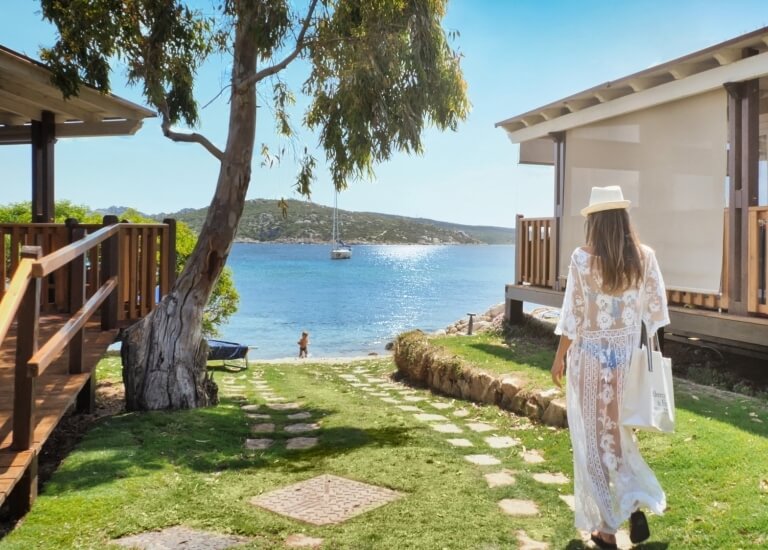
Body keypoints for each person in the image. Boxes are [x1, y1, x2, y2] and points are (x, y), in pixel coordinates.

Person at [551, 185, 670, 549]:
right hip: (626, 364)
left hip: (589, 359)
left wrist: (558, 357)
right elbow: (657, 314)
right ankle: (633, 504)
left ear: (595, 222)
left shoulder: (582, 259)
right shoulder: (645, 257)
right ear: (622, 218)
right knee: (618, 440)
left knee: (592, 443)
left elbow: (572, 318)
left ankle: (606, 528)